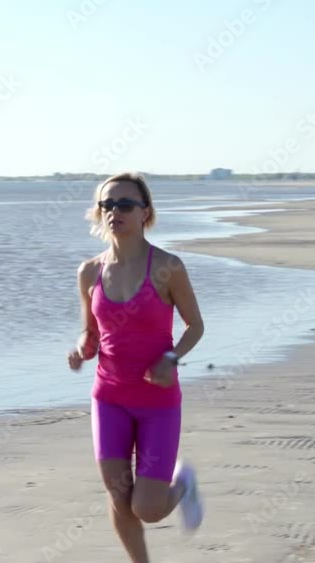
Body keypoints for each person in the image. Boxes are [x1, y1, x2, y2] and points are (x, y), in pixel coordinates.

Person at [67, 172, 206, 562]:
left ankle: (183, 486)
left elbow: (196, 326)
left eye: (125, 204)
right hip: (109, 397)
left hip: (157, 401)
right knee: (118, 495)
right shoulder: (89, 272)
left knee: (146, 507)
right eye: (107, 205)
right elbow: (90, 333)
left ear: (144, 212)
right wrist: (81, 349)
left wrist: (171, 358)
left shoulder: (168, 266)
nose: (115, 211)